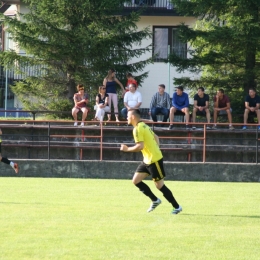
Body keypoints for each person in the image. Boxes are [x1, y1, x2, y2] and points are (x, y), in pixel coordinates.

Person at [120, 108, 182, 214]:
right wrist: (155, 149)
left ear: (133, 117)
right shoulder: (144, 125)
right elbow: (156, 137)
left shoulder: (138, 129)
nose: (126, 117)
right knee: (136, 181)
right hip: (147, 160)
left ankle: (177, 207)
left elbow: (140, 146)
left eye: (128, 116)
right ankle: (155, 200)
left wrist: (127, 149)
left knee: (159, 185)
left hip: (154, 160)